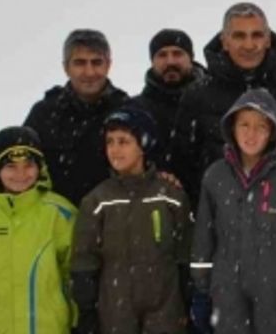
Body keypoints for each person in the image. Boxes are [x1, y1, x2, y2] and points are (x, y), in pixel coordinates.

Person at [190, 89, 276, 334]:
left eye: (261, 126)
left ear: (272, 131)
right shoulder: (216, 176)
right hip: (227, 292)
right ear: (232, 129)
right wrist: (201, 290)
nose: (251, 133)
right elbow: (204, 238)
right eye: (244, 125)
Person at [173, 3, 276, 202]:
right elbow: (182, 162)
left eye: (257, 35)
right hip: (218, 212)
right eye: (239, 36)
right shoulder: (197, 96)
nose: (249, 45)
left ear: (268, 40)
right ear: (225, 42)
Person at [71, 107, 193, 334]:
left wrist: (189, 300)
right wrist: (87, 310)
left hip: (165, 310)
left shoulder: (170, 196)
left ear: (143, 145)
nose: (115, 150)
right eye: (110, 142)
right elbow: (84, 260)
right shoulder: (97, 200)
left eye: (124, 142)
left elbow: (185, 253)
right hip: (115, 311)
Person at [0, 126, 78, 334]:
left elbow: (73, 276)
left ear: (40, 168)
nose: (21, 174)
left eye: (28, 165)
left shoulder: (60, 214)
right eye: (10, 166)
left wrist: (79, 323)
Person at [25, 29, 130, 206]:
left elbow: (149, 166)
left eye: (96, 62)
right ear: (66, 67)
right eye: (80, 63)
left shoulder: (128, 111)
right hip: (56, 216)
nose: (89, 72)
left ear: (108, 65)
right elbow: (17, 162)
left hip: (114, 215)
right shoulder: (44, 112)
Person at [133, 29, 206, 172]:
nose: (170, 61)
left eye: (177, 54)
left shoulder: (210, 101)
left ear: (191, 58)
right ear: (152, 61)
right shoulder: (136, 110)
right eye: (162, 55)